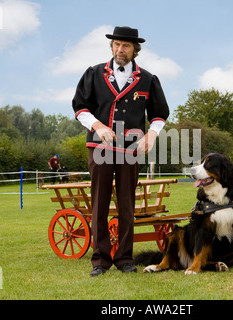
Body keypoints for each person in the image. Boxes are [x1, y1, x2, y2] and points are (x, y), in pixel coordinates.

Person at [72, 26, 170, 277]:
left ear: (135, 50)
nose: (120, 49)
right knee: (100, 204)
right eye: (116, 44)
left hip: (130, 149)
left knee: (127, 205)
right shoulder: (93, 73)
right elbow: (80, 107)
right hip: (99, 147)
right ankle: (100, 260)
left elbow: (160, 114)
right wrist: (97, 125)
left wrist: (151, 133)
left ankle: (125, 258)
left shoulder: (148, 79)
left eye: (125, 46)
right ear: (112, 46)